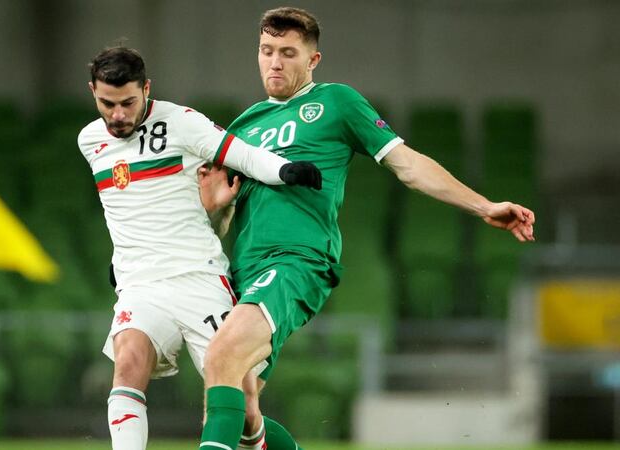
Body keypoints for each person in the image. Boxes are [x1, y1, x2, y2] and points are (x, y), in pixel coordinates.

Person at [197, 7, 537, 450]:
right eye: (266, 51)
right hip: (243, 270)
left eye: (287, 52)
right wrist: (214, 209)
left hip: (295, 260)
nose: (274, 62)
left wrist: (483, 205)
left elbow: (409, 166)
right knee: (240, 407)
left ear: (313, 60)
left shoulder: (337, 103)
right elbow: (222, 220)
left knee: (219, 356)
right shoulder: (244, 126)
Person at [77, 46, 322, 450]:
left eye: (128, 103)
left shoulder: (181, 122)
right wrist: (119, 258)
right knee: (128, 361)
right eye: (107, 103)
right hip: (141, 284)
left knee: (243, 410)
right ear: (92, 92)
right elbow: (127, 206)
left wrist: (284, 170)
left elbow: (239, 154)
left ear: (147, 89)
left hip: (198, 277)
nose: (118, 115)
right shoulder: (90, 141)